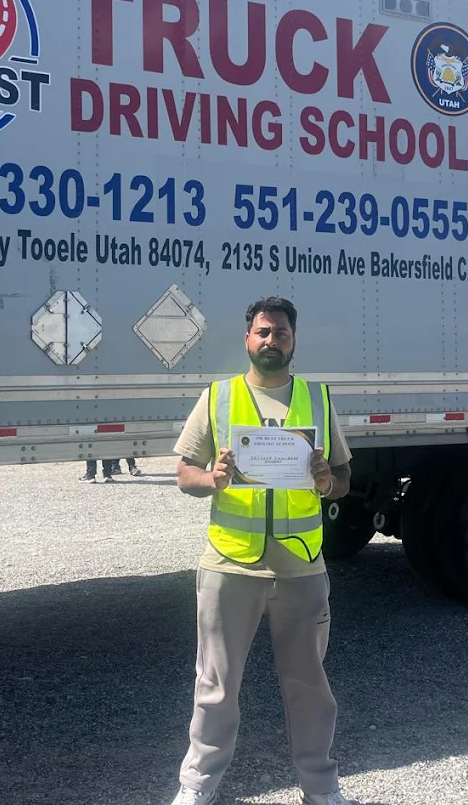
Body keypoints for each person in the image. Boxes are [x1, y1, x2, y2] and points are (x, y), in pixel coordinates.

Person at [168, 296, 358, 805]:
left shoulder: (317, 399)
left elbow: (342, 478)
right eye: (263, 332)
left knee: (309, 687)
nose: (272, 341)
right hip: (230, 565)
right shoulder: (218, 397)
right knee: (215, 686)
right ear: (248, 339)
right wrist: (212, 478)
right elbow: (184, 471)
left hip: (300, 567)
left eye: (281, 334)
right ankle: (197, 788)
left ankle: (321, 788)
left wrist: (326, 480)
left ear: (294, 341)